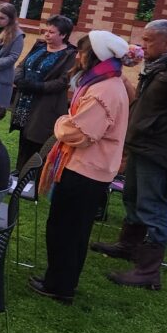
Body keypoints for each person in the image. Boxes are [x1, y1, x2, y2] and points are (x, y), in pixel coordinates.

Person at [94, 19, 167, 290]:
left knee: (154, 205)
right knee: (133, 196)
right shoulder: (163, 65)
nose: (142, 45)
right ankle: (128, 245)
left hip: (161, 149)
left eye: (148, 40)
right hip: (143, 145)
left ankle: (148, 271)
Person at [28, 31, 131, 304]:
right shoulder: (104, 82)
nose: (78, 56)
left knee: (66, 229)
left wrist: (62, 122)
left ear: (96, 56)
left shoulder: (104, 90)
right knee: (69, 228)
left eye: (82, 51)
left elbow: (79, 133)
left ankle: (59, 286)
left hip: (85, 170)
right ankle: (60, 280)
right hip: (86, 168)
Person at [9, 15, 77, 170]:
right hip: (25, 100)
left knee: (36, 138)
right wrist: (19, 80)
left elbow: (63, 81)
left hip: (44, 105)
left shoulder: (69, 55)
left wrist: (37, 86)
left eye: (52, 32)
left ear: (63, 35)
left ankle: (32, 175)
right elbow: (21, 65)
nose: (46, 34)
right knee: (24, 135)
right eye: (46, 31)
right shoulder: (39, 46)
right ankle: (19, 171)